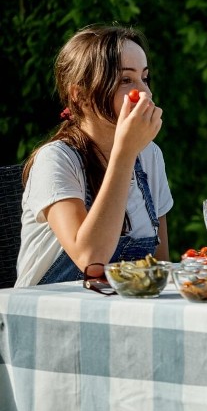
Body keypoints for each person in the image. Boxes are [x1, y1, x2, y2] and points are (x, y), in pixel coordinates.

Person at [16, 24, 173, 286]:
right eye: (126, 80)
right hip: (50, 317)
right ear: (81, 95)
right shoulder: (56, 159)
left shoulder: (149, 156)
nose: (145, 93)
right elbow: (91, 259)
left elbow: (159, 266)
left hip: (123, 311)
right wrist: (125, 152)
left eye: (144, 78)